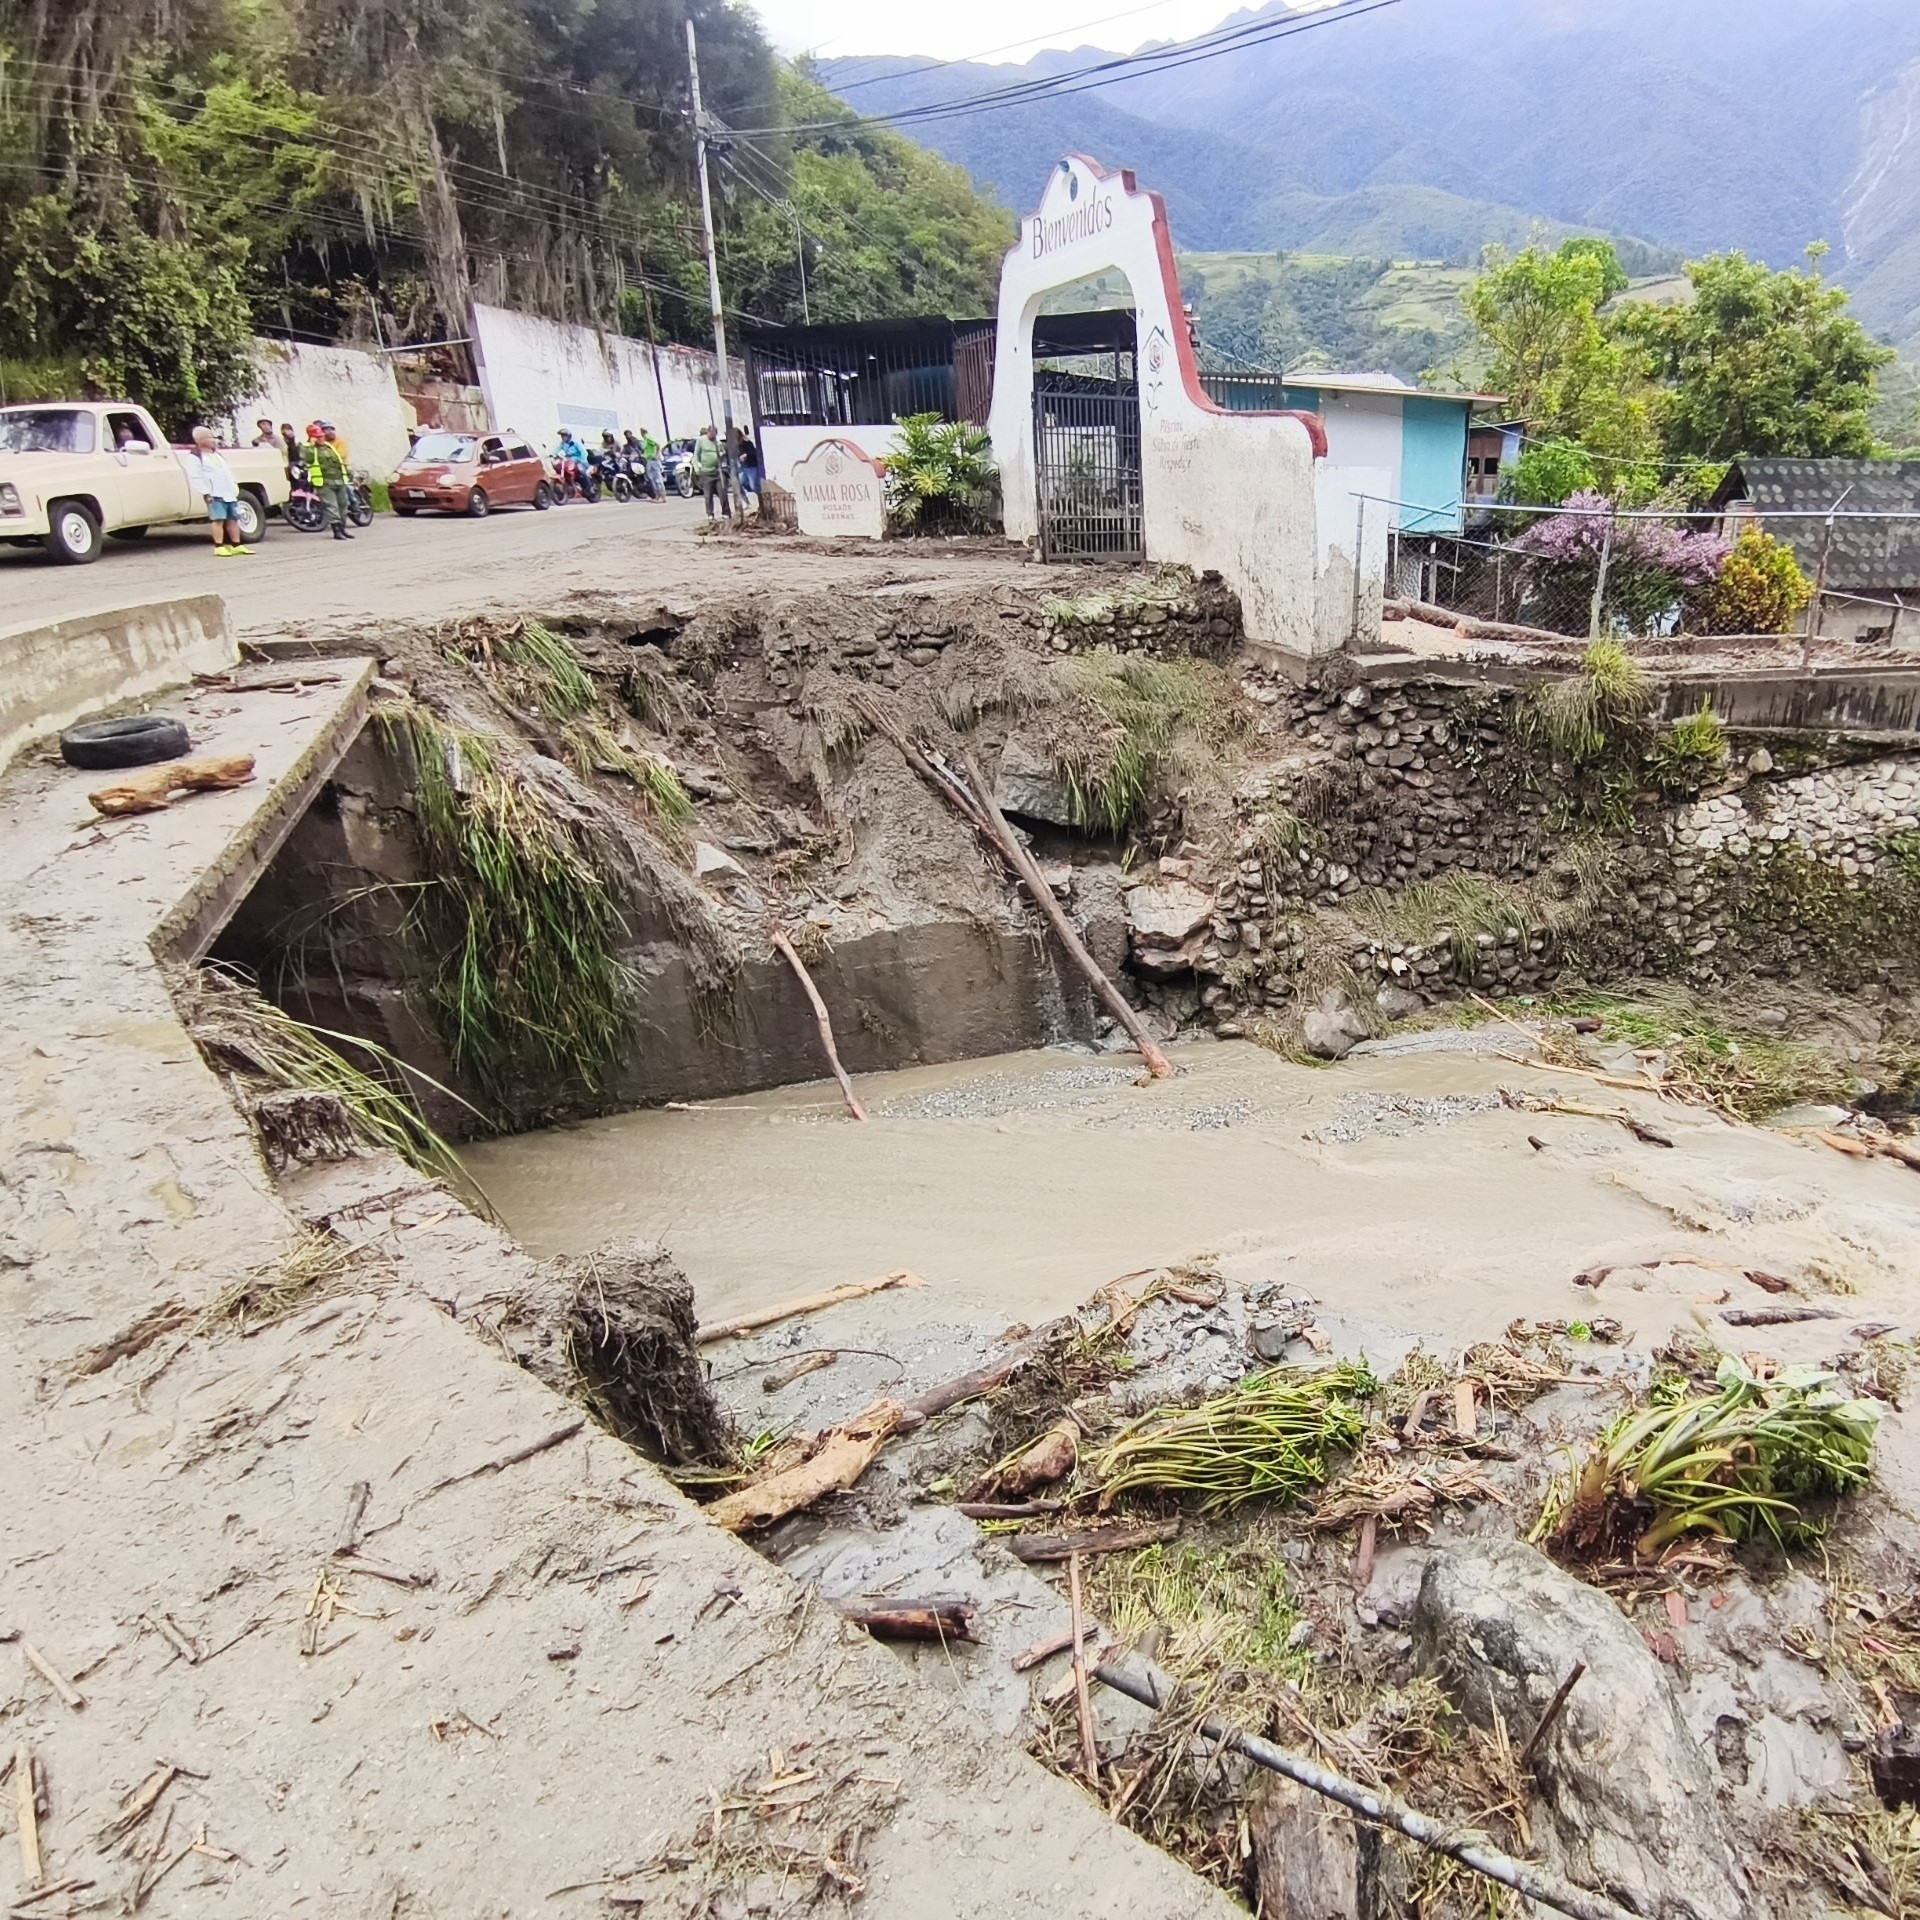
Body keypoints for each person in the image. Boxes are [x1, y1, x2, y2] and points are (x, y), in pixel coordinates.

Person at [183, 426, 249, 556]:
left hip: (228, 492)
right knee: (218, 519)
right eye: (208, 437)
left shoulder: (217, 455)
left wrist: (234, 486)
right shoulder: (196, 457)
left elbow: (227, 472)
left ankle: (236, 544)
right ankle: (219, 545)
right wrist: (206, 491)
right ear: (199, 440)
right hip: (215, 493)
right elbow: (195, 476)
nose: (212, 440)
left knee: (233, 519)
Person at [305, 422, 353, 539]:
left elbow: (339, 461)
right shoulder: (309, 449)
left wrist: (347, 473)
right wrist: (311, 445)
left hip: (338, 480)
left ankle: (343, 528)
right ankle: (336, 531)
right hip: (324, 482)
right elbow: (308, 459)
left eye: (322, 436)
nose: (321, 438)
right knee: (332, 506)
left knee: (343, 504)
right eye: (318, 437)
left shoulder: (329, 447)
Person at [692, 424, 727, 519]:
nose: (713, 436)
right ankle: (710, 514)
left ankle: (726, 512)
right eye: (711, 433)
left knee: (722, 492)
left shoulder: (718, 443)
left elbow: (722, 454)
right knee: (708, 495)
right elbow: (696, 456)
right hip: (706, 472)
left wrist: (721, 454)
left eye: (715, 434)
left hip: (717, 471)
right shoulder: (701, 441)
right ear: (708, 432)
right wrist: (697, 467)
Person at [736, 431, 761, 510]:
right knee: (738, 484)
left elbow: (754, 452)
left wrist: (746, 455)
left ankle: (762, 500)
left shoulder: (747, 443)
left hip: (751, 466)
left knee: (754, 486)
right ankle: (746, 502)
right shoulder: (734, 445)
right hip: (742, 467)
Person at [640, 428, 663, 500]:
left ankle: (662, 495)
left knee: (657, 478)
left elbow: (657, 444)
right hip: (649, 460)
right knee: (651, 478)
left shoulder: (648, 438)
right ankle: (657, 495)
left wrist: (656, 454)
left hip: (653, 460)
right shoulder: (645, 440)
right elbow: (647, 450)